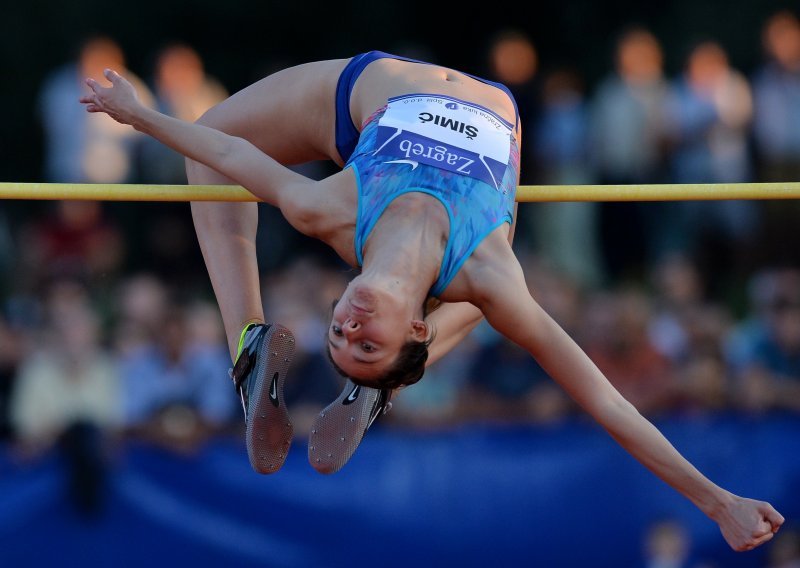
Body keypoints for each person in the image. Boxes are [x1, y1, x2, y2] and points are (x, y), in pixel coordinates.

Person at [80, 52, 783, 552]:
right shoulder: (486, 271)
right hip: (479, 196)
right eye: (366, 344)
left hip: (367, 97)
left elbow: (227, 154)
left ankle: (250, 343)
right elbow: (607, 404)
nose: (349, 325)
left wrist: (138, 115)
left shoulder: (328, 208)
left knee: (206, 153)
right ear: (410, 326)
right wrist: (718, 501)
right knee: (496, 297)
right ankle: (379, 385)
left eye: (337, 336)